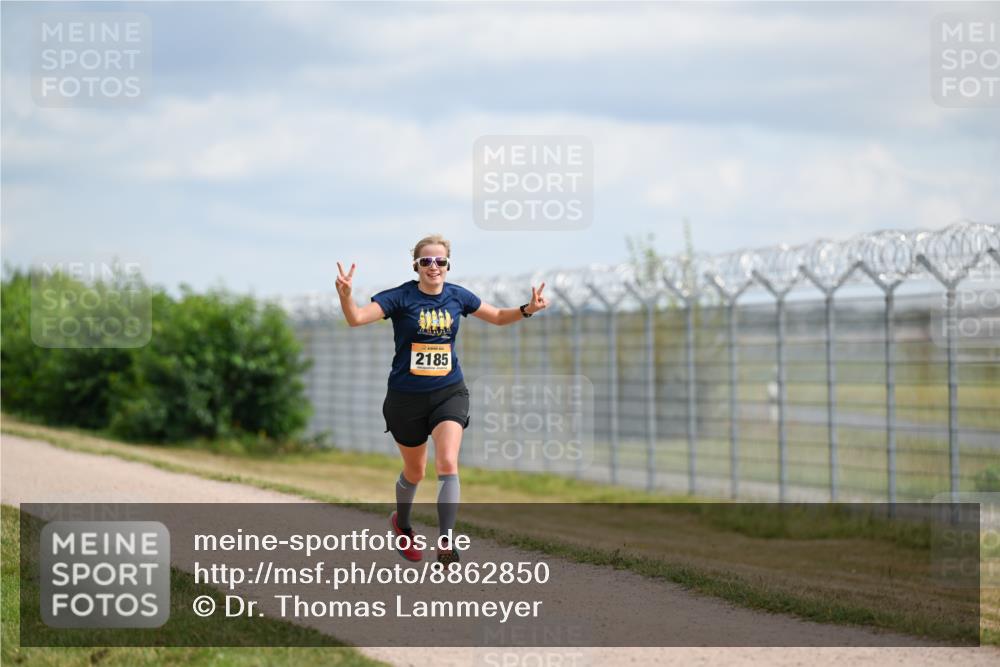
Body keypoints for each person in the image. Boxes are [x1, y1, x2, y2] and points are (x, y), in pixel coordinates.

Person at [335, 234, 549, 566]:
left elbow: (497, 316)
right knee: (415, 471)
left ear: (448, 265)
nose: (433, 267)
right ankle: (402, 525)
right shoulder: (400, 297)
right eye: (426, 262)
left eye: (440, 262)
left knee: (447, 463)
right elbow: (356, 318)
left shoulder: (457, 296)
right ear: (416, 266)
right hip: (405, 399)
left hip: (449, 392)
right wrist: (346, 296)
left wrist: (527, 309)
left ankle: (446, 540)